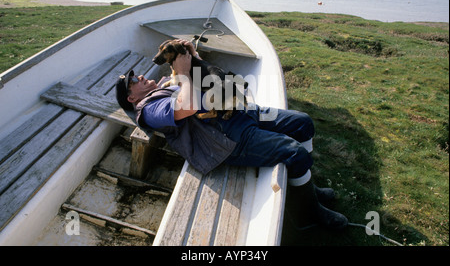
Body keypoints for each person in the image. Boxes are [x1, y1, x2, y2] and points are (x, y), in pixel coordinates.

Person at [116, 39, 348, 230]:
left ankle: (308, 188)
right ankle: (309, 214)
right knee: (295, 153)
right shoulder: (148, 109)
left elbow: (211, 78)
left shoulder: (167, 82)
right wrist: (185, 73)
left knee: (303, 123)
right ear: (132, 98)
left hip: (239, 111)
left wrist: (195, 58)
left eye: (136, 75)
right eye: (133, 81)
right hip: (226, 138)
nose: (140, 77)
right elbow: (186, 107)